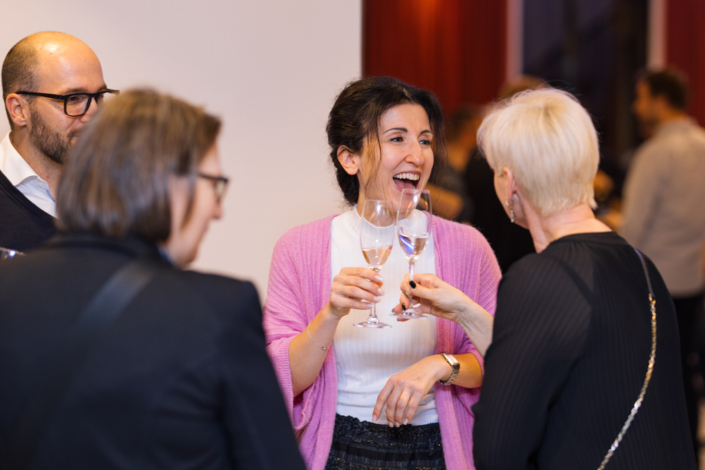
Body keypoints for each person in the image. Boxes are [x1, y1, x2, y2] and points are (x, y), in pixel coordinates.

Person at [0, 89, 305, 470]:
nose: (218, 210)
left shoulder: (8, 285)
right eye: (214, 184)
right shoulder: (218, 309)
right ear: (169, 184)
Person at [395, 88, 696, 469]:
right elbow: (575, 365)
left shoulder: (541, 277)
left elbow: (498, 449)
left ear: (509, 181)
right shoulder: (637, 262)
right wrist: (464, 312)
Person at [263, 77, 501, 470]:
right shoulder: (299, 248)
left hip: (439, 449)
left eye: (424, 141)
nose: (418, 156)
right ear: (349, 158)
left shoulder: (467, 247)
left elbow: (500, 361)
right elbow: (283, 377)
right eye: (397, 139)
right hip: (338, 449)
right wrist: (330, 315)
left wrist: (442, 365)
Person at [620, 68, 705, 456]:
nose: (636, 108)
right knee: (684, 372)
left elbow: (633, 228)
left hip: (652, 282)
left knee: (648, 375)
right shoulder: (703, 143)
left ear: (660, 100)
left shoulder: (655, 153)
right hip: (691, 279)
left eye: (640, 98)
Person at [0, 31, 115, 251]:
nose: (93, 113)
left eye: (99, 96)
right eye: (73, 99)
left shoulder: (122, 199)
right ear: (19, 110)